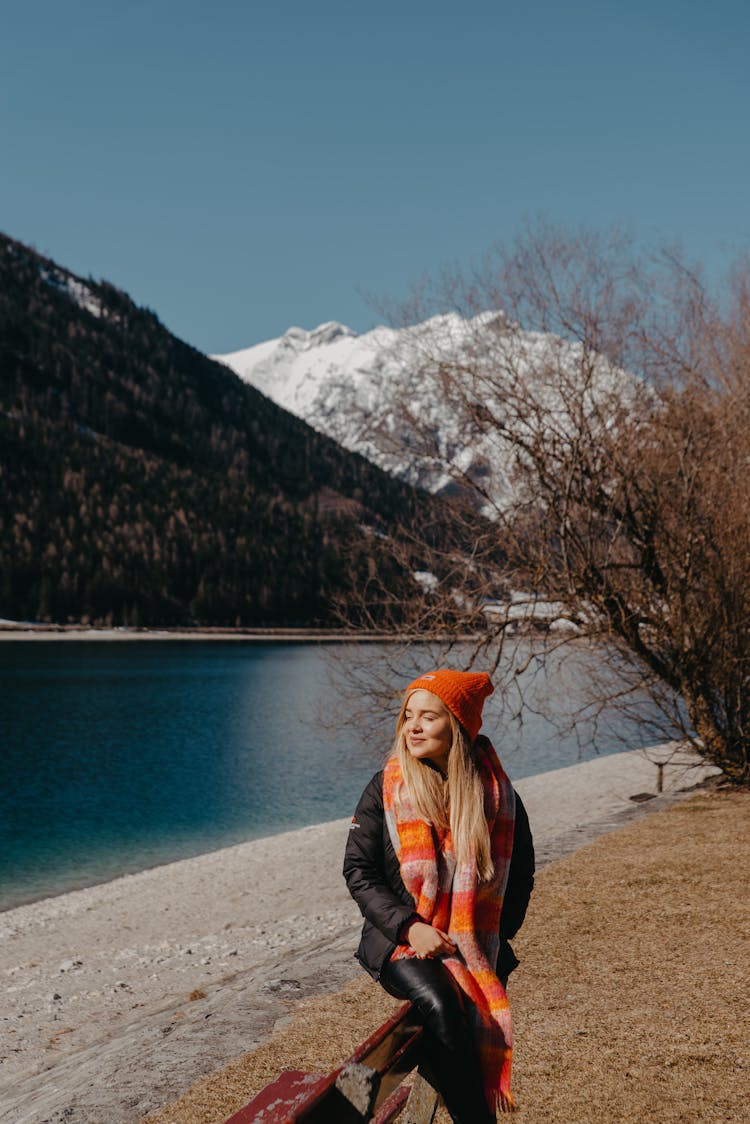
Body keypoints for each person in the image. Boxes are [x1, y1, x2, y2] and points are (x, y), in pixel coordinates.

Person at [343, 669, 534, 1122]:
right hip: (397, 940)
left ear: (459, 725)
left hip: (472, 946)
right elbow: (359, 871)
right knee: (443, 1000)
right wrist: (412, 927)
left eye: (428, 717)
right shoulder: (385, 787)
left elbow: (521, 877)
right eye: (408, 716)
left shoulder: (498, 796)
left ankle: (349, 1099)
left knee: (444, 1018)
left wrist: (486, 939)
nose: (412, 726)